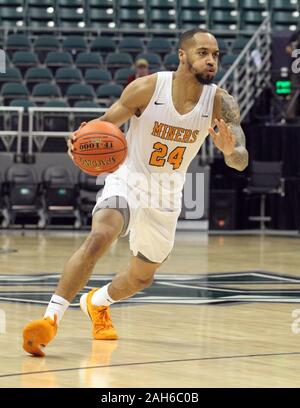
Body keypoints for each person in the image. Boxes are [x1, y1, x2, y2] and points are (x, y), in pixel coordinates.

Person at [22, 28, 249, 357]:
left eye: (215, 55)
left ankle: (97, 303)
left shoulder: (219, 101)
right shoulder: (148, 88)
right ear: (182, 55)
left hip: (167, 194)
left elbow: (241, 160)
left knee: (141, 278)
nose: (211, 60)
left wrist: (230, 152)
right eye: (203, 53)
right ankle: (49, 321)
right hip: (130, 178)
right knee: (101, 235)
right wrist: (80, 139)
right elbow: (105, 124)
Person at [285, 30, 300, 120]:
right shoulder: (296, 34)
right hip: (296, 67)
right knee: (294, 90)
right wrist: (294, 53)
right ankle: (290, 117)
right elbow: (287, 48)